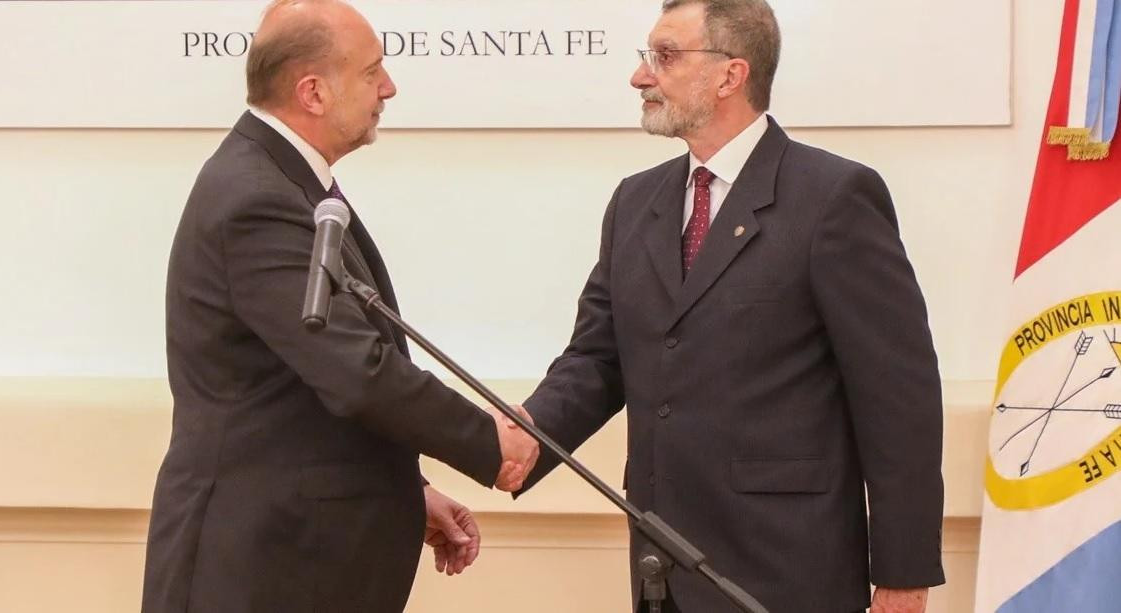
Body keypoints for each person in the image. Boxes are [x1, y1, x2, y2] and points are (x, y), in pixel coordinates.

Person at [514, 1, 944, 611]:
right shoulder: (636, 203)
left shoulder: (834, 197)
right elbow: (596, 358)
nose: (641, 76)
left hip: (790, 573)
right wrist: (523, 435)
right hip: (663, 568)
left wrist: (903, 576)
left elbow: (900, 400)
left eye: (664, 56)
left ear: (729, 75)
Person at [141, 1, 538, 611]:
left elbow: (304, 389)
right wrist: (489, 441)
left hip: (295, 551)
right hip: (261, 564)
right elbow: (355, 371)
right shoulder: (256, 199)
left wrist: (406, 488)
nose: (389, 87)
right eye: (372, 71)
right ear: (314, 92)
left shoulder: (284, 182)